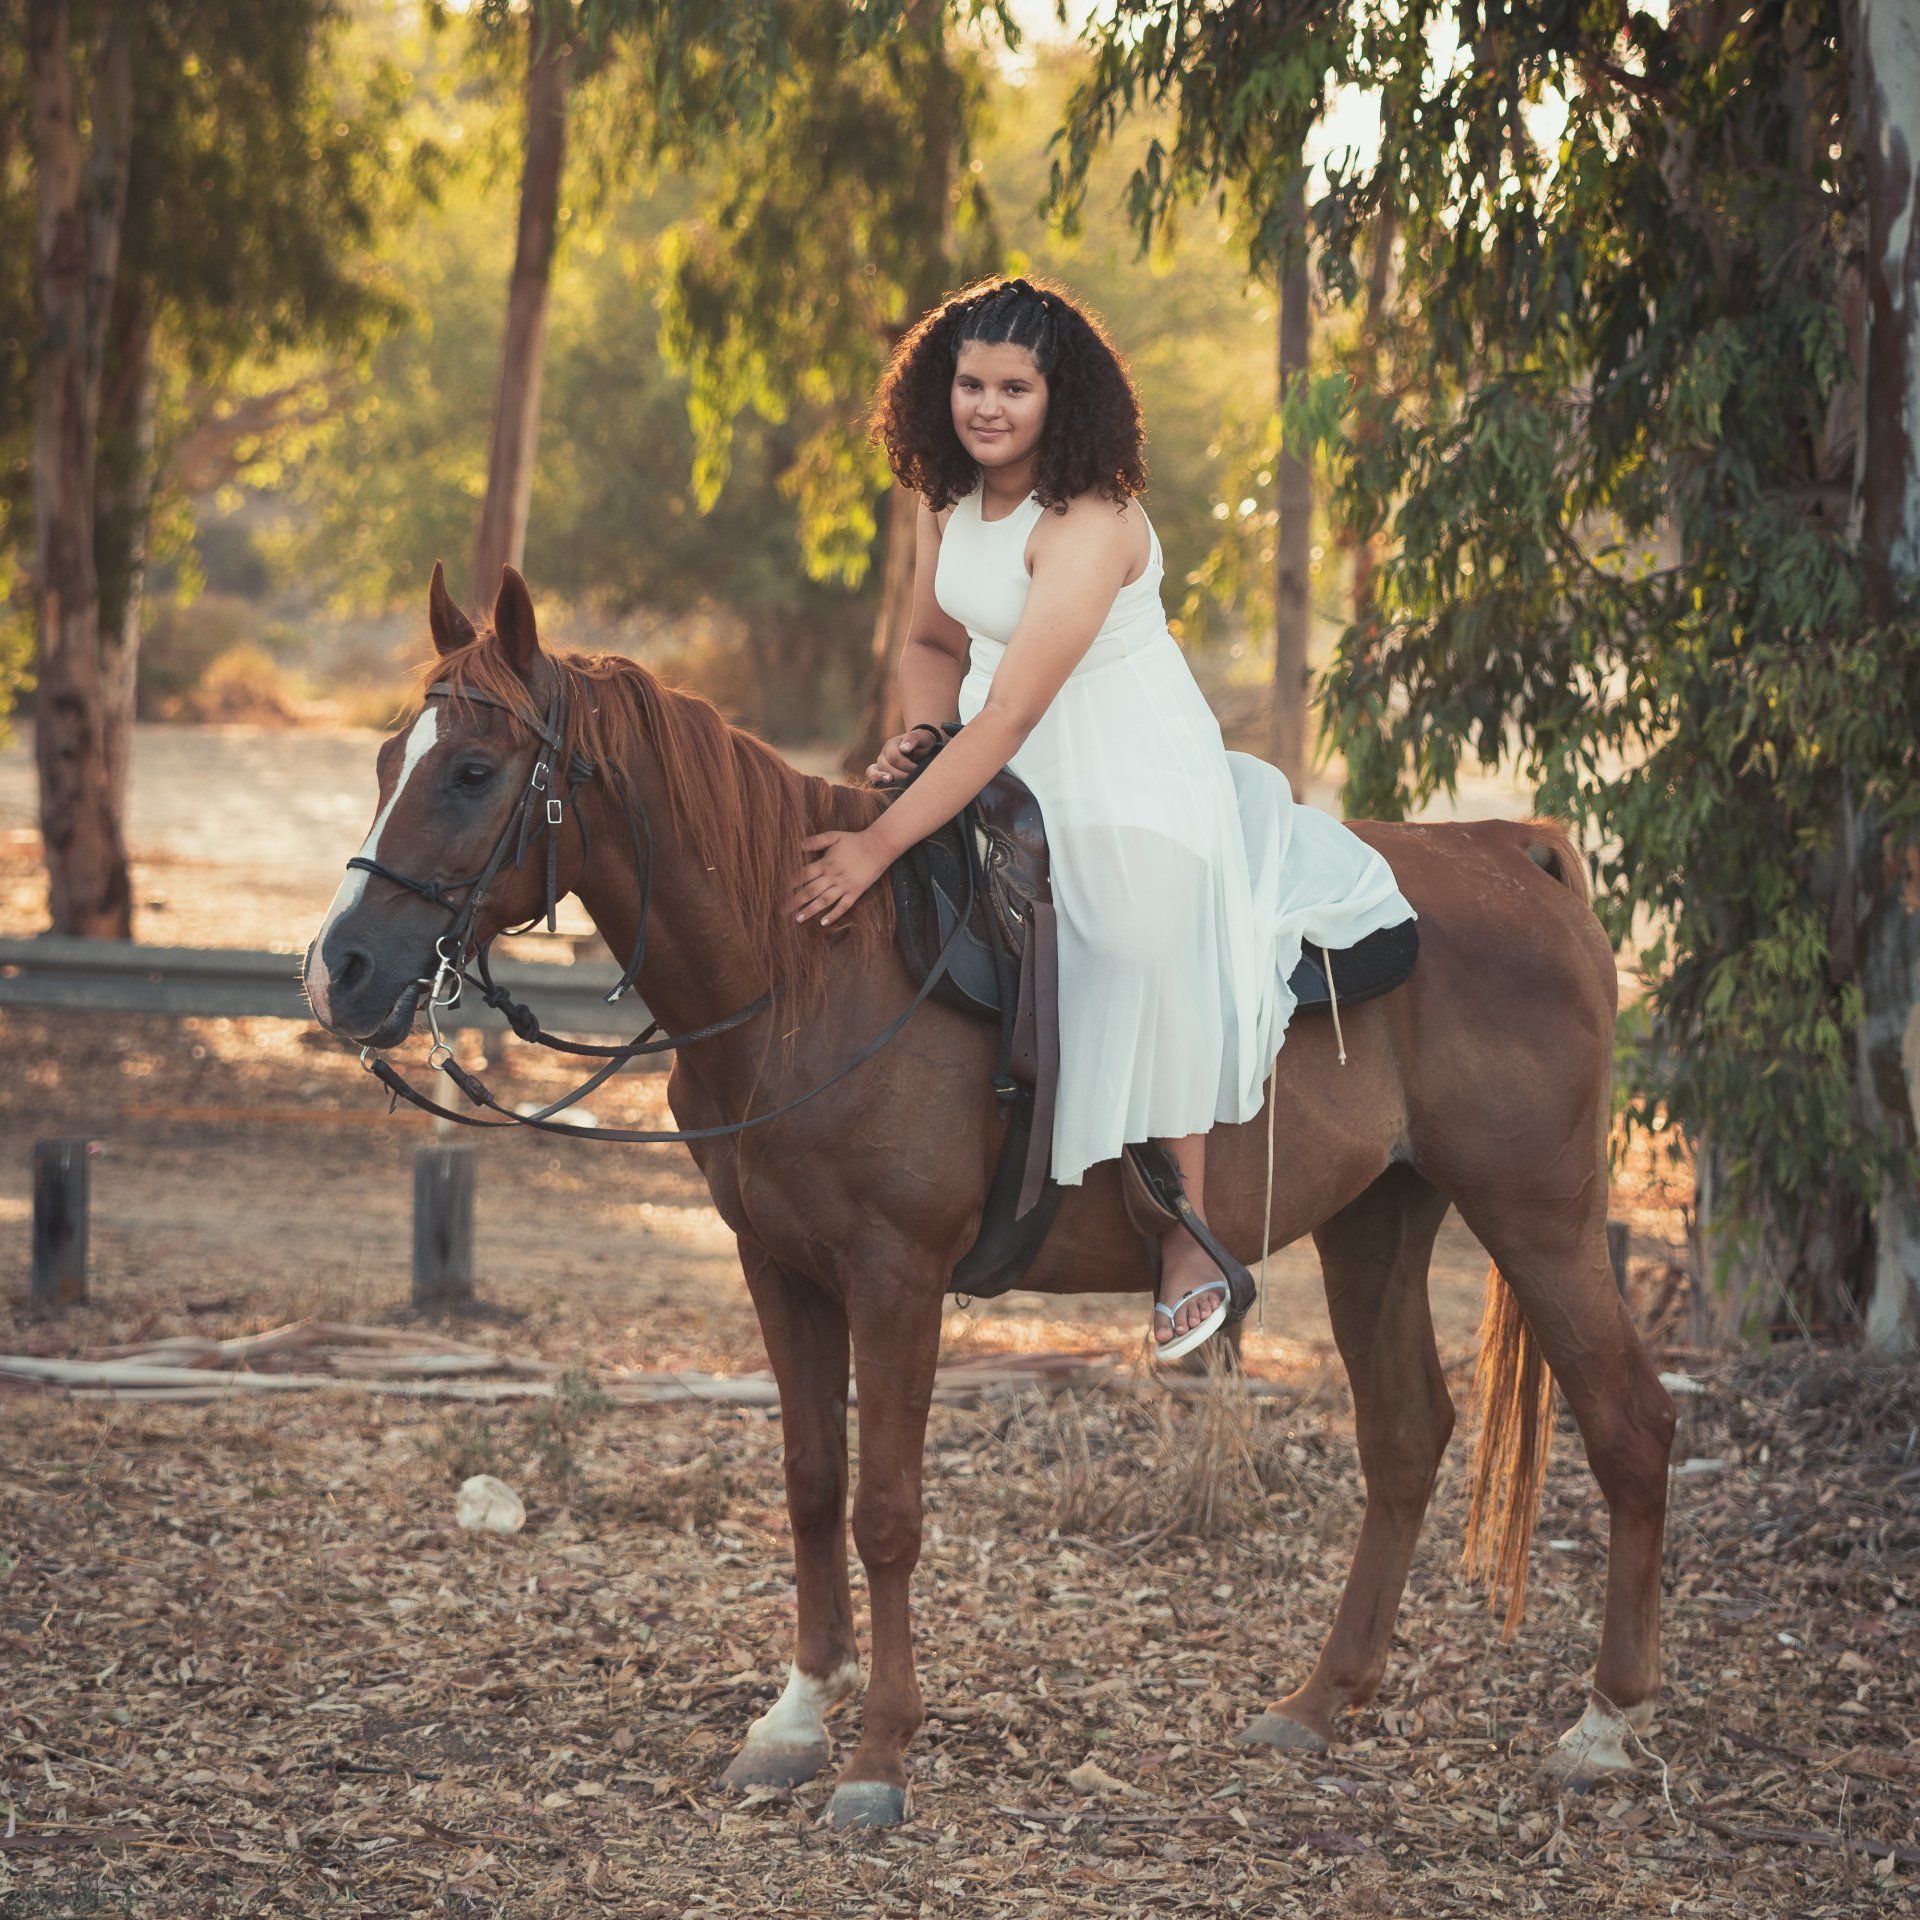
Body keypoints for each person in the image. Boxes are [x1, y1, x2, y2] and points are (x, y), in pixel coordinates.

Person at [783, 275, 1413, 1359]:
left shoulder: (1090, 519)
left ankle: (1185, 1231)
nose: (986, 408)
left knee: (1127, 939)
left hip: (1124, 760)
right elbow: (933, 646)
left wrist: (879, 840)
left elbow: (1016, 712)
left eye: (1013, 389)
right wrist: (924, 736)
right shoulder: (945, 497)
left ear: (1057, 396)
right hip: (990, 748)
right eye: (970, 384)